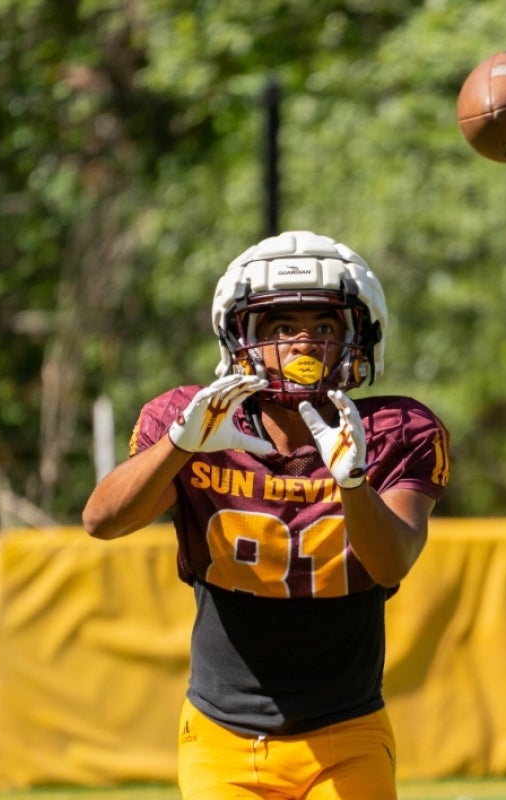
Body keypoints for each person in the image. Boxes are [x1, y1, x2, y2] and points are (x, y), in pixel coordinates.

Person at [82, 230, 450, 800]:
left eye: (324, 327)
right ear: (242, 337)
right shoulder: (193, 422)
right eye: (281, 327)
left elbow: (390, 562)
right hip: (220, 736)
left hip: (346, 731)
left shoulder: (394, 432)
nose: (303, 344)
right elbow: (102, 522)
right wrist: (180, 445)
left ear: (358, 337)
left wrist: (352, 481)